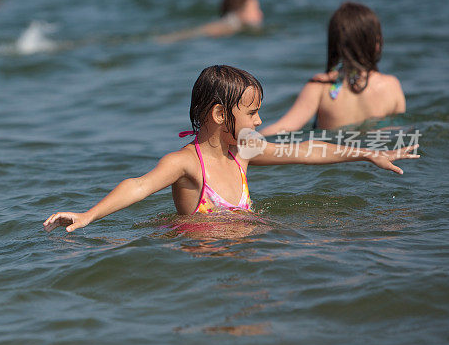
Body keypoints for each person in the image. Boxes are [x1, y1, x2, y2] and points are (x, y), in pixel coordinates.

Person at [43, 65, 418, 233]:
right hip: (205, 266)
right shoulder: (184, 163)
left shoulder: (245, 152)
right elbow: (138, 186)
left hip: (244, 257)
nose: (258, 122)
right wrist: (88, 215)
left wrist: (365, 151)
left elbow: (305, 150)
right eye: (252, 113)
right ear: (221, 114)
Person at [260, 2, 406, 135]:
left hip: (332, 157)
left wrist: (245, 141)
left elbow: (282, 128)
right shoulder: (391, 86)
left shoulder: (320, 87)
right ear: (375, 42)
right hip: (373, 159)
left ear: (335, 43)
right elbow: (397, 136)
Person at [156, 0, 264, 43]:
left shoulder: (228, 24)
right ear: (240, 11)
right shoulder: (229, 27)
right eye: (255, 9)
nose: (260, 14)